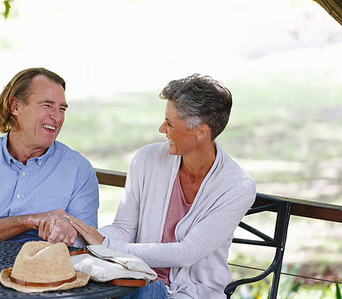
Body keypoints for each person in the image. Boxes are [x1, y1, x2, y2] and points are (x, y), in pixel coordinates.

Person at [67, 74, 256, 298]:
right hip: (136, 277)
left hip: (190, 292)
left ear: (201, 132)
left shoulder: (237, 187)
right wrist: (78, 235)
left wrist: (106, 245)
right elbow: (124, 229)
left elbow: (187, 252)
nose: (161, 129)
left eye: (170, 123)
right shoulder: (146, 160)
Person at [0, 67, 99, 246]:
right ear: (16, 106)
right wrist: (30, 221)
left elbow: (87, 242)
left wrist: (68, 231)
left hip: (46, 270)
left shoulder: (78, 169)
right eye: (47, 105)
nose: (56, 117)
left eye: (62, 109)